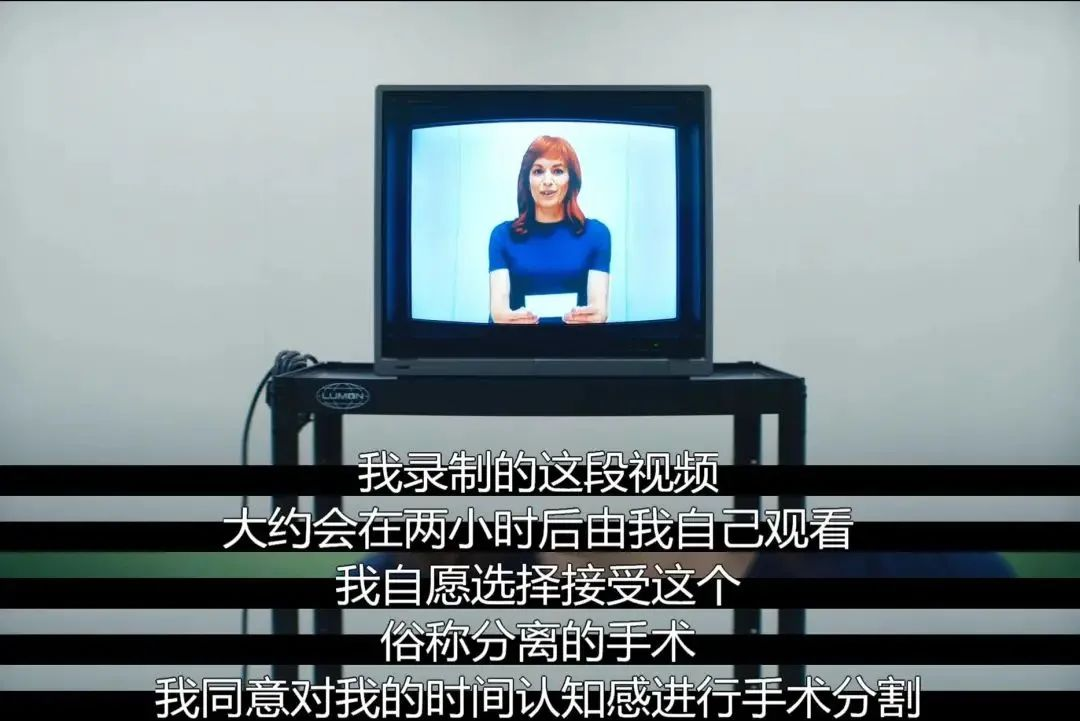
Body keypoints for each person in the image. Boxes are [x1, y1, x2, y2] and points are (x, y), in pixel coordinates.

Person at [488, 135, 611, 326]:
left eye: (558, 171)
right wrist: (504, 318)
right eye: (538, 171)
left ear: (571, 180)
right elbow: (499, 311)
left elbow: (598, 309)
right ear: (527, 180)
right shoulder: (502, 235)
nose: (547, 181)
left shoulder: (596, 234)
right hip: (516, 341)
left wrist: (595, 315)